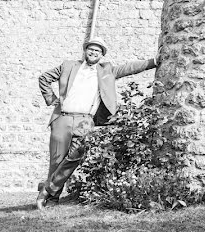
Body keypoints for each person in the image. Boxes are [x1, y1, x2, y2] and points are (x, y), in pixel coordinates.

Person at [35, 37, 156, 210]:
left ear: (102, 55)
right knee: (57, 160)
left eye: (97, 51)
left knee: (77, 156)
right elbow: (44, 78)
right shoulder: (68, 66)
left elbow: (130, 68)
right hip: (63, 118)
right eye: (90, 49)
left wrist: (154, 61)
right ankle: (52, 200)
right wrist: (52, 99)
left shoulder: (107, 70)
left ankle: (46, 190)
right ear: (85, 51)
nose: (93, 53)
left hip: (86, 121)